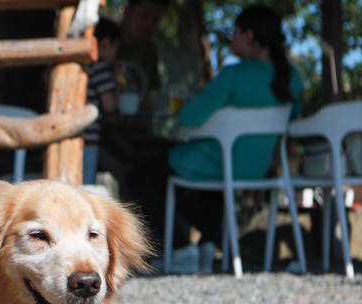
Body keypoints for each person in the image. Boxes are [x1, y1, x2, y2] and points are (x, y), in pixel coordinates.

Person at [127, 4, 302, 263]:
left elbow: (189, 118)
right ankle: (209, 243)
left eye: (236, 32)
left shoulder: (233, 75)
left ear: (249, 35)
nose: (232, 39)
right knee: (207, 180)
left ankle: (180, 247)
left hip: (212, 161)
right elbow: (294, 120)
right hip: (255, 168)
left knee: (140, 175)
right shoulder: (292, 78)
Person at [83, 18, 120, 185]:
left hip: (76, 138)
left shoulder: (83, 64)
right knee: (84, 186)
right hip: (88, 142)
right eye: (116, 48)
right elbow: (110, 105)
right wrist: (119, 79)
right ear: (106, 43)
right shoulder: (99, 66)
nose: (115, 54)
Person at [117, 0, 168, 108]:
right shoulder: (106, 41)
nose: (149, 24)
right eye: (144, 15)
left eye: (156, 20)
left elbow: (147, 98)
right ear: (127, 12)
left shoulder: (150, 50)